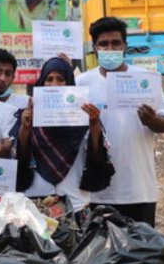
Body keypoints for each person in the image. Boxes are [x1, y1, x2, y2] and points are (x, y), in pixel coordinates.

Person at [76, 16, 164, 226]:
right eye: (104, 44)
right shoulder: (82, 83)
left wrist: (151, 120)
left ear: (125, 46)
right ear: (94, 47)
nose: (110, 48)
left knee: (141, 254)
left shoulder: (146, 79)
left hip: (138, 189)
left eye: (115, 43)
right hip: (97, 192)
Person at [10, 57, 110, 216]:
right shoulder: (27, 115)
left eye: (60, 79)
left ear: (69, 82)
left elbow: (97, 155)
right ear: (41, 82)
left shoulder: (84, 115)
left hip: (75, 203)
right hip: (36, 204)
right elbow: (18, 157)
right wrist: (25, 128)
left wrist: (94, 123)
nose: (54, 85)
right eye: (49, 79)